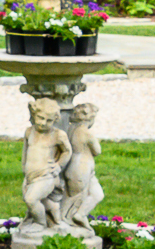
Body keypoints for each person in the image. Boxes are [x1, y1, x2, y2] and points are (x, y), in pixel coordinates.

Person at [21, 96, 72, 231]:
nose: (43, 123)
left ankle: (40, 223)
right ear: (34, 115)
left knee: (31, 199)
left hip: (46, 175)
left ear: (55, 120)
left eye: (49, 120)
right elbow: (25, 153)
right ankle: (53, 208)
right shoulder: (29, 132)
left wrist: (58, 166)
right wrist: (24, 170)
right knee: (33, 198)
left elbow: (67, 151)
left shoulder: (57, 134)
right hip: (30, 175)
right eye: (40, 118)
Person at [61, 102, 104, 230]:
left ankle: (80, 215)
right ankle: (64, 221)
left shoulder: (69, 130)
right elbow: (97, 151)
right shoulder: (86, 133)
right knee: (74, 197)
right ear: (90, 118)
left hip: (81, 169)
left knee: (97, 194)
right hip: (80, 169)